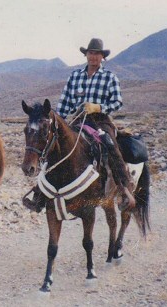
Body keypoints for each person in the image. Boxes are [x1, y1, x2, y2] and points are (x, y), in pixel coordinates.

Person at [56, 38, 135, 211]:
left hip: (100, 120)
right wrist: (58, 121)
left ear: (102, 57)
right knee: (57, 142)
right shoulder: (75, 76)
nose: (93, 57)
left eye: (97, 54)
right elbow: (64, 102)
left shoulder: (109, 77)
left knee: (109, 144)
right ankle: (42, 190)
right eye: (90, 53)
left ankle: (124, 188)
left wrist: (99, 107)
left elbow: (117, 102)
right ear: (86, 55)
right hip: (78, 120)